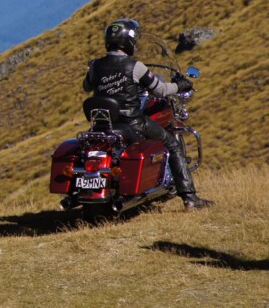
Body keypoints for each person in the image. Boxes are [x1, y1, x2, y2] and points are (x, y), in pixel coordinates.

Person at [83, 18, 213, 211]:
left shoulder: (95, 66)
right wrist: (180, 85)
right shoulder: (135, 66)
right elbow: (160, 90)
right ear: (129, 41)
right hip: (133, 123)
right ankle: (190, 198)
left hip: (103, 125)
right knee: (174, 144)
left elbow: (86, 86)